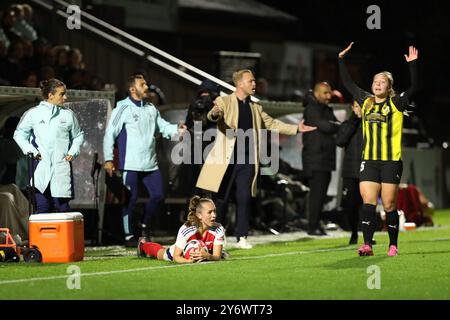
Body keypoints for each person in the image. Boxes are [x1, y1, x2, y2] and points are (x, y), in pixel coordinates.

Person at [196, 69, 315, 249]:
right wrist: (215, 112)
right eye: (250, 81)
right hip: (226, 160)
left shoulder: (256, 108)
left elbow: (272, 123)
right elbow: (213, 115)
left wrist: (296, 128)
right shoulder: (224, 101)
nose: (254, 84)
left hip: (248, 160)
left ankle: (242, 236)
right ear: (240, 84)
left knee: (244, 198)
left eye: (253, 81)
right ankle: (216, 235)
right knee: (221, 200)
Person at [338, 42, 418, 256]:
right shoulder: (365, 101)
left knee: (390, 204)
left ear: (389, 86)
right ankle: (367, 245)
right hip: (370, 161)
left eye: (382, 82)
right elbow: (348, 83)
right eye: (375, 81)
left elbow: (414, 88)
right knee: (368, 203)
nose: (377, 84)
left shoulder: (396, 103)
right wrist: (341, 60)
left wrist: (412, 66)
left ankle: (393, 244)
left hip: (391, 160)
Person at [103, 73, 187, 246]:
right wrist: (108, 159)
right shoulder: (122, 108)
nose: (147, 87)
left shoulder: (151, 108)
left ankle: (144, 226)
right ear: (133, 89)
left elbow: (163, 127)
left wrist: (177, 130)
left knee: (158, 196)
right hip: (130, 164)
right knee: (130, 200)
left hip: (150, 163)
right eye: (143, 85)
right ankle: (128, 236)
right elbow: (109, 134)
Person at [14, 78, 85, 213]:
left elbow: (78, 135)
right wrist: (31, 151)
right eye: (62, 94)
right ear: (50, 95)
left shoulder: (69, 115)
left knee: (63, 208)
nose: (65, 97)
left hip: (61, 166)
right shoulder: (33, 113)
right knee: (42, 208)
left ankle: (63, 235)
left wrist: (73, 150)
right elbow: (19, 134)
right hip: (39, 166)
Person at [138, 196, 225, 263]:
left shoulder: (218, 229)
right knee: (161, 253)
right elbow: (176, 257)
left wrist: (207, 256)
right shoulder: (186, 229)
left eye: (215, 211)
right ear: (199, 215)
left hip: (205, 253)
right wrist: (189, 261)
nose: (214, 215)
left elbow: (217, 256)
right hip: (179, 253)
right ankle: (142, 245)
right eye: (210, 212)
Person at [302, 82, 340, 236]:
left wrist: (333, 125)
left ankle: (316, 224)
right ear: (317, 94)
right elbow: (329, 127)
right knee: (317, 195)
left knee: (321, 194)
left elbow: (334, 125)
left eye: (329, 93)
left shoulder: (326, 109)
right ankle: (312, 227)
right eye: (325, 93)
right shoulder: (311, 108)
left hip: (325, 158)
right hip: (316, 159)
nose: (328, 96)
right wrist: (333, 125)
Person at [336, 101, 363, 244]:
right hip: (351, 172)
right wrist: (354, 121)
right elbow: (340, 141)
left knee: (368, 205)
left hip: (368, 170)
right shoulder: (347, 124)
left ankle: (367, 234)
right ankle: (354, 233)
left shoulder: (371, 124)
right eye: (357, 106)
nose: (360, 109)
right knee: (352, 205)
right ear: (352, 108)